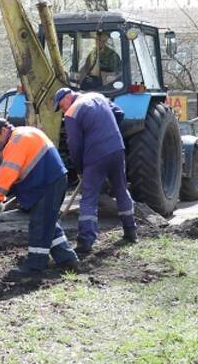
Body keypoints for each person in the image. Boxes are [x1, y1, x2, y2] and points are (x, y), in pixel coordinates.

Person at [0, 118, 80, 278]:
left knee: (40, 224)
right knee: (48, 222)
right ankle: (67, 259)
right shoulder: (25, 132)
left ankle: (35, 266)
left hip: (48, 182)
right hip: (53, 179)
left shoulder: (15, 142)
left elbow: (8, 172)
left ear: (3, 130)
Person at [53, 88, 136, 253]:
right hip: (117, 148)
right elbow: (119, 113)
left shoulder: (72, 113)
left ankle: (86, 241)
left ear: (68, 97)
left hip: (95, 155)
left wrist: (79, 169)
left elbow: (75, 146)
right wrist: (108, 131)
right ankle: (130, 231)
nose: (63, 110)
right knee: (121, 190)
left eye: (61, 105)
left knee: (89, 197)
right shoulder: (98, 96)